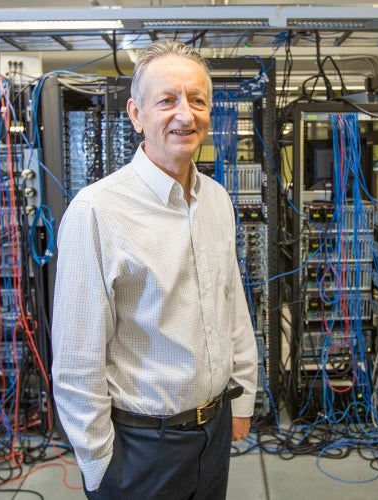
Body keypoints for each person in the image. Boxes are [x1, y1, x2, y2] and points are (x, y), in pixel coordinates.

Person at [51, 39, 258, 499]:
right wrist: (100, 463)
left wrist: (242, 396)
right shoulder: (97, 212)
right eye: (167, 100)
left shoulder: (217, 201)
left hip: (214, 432)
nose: (184, 114)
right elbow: (75, 359)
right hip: (141, 446)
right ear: (136, 114)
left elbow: (232, 307)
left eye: (197, 100)